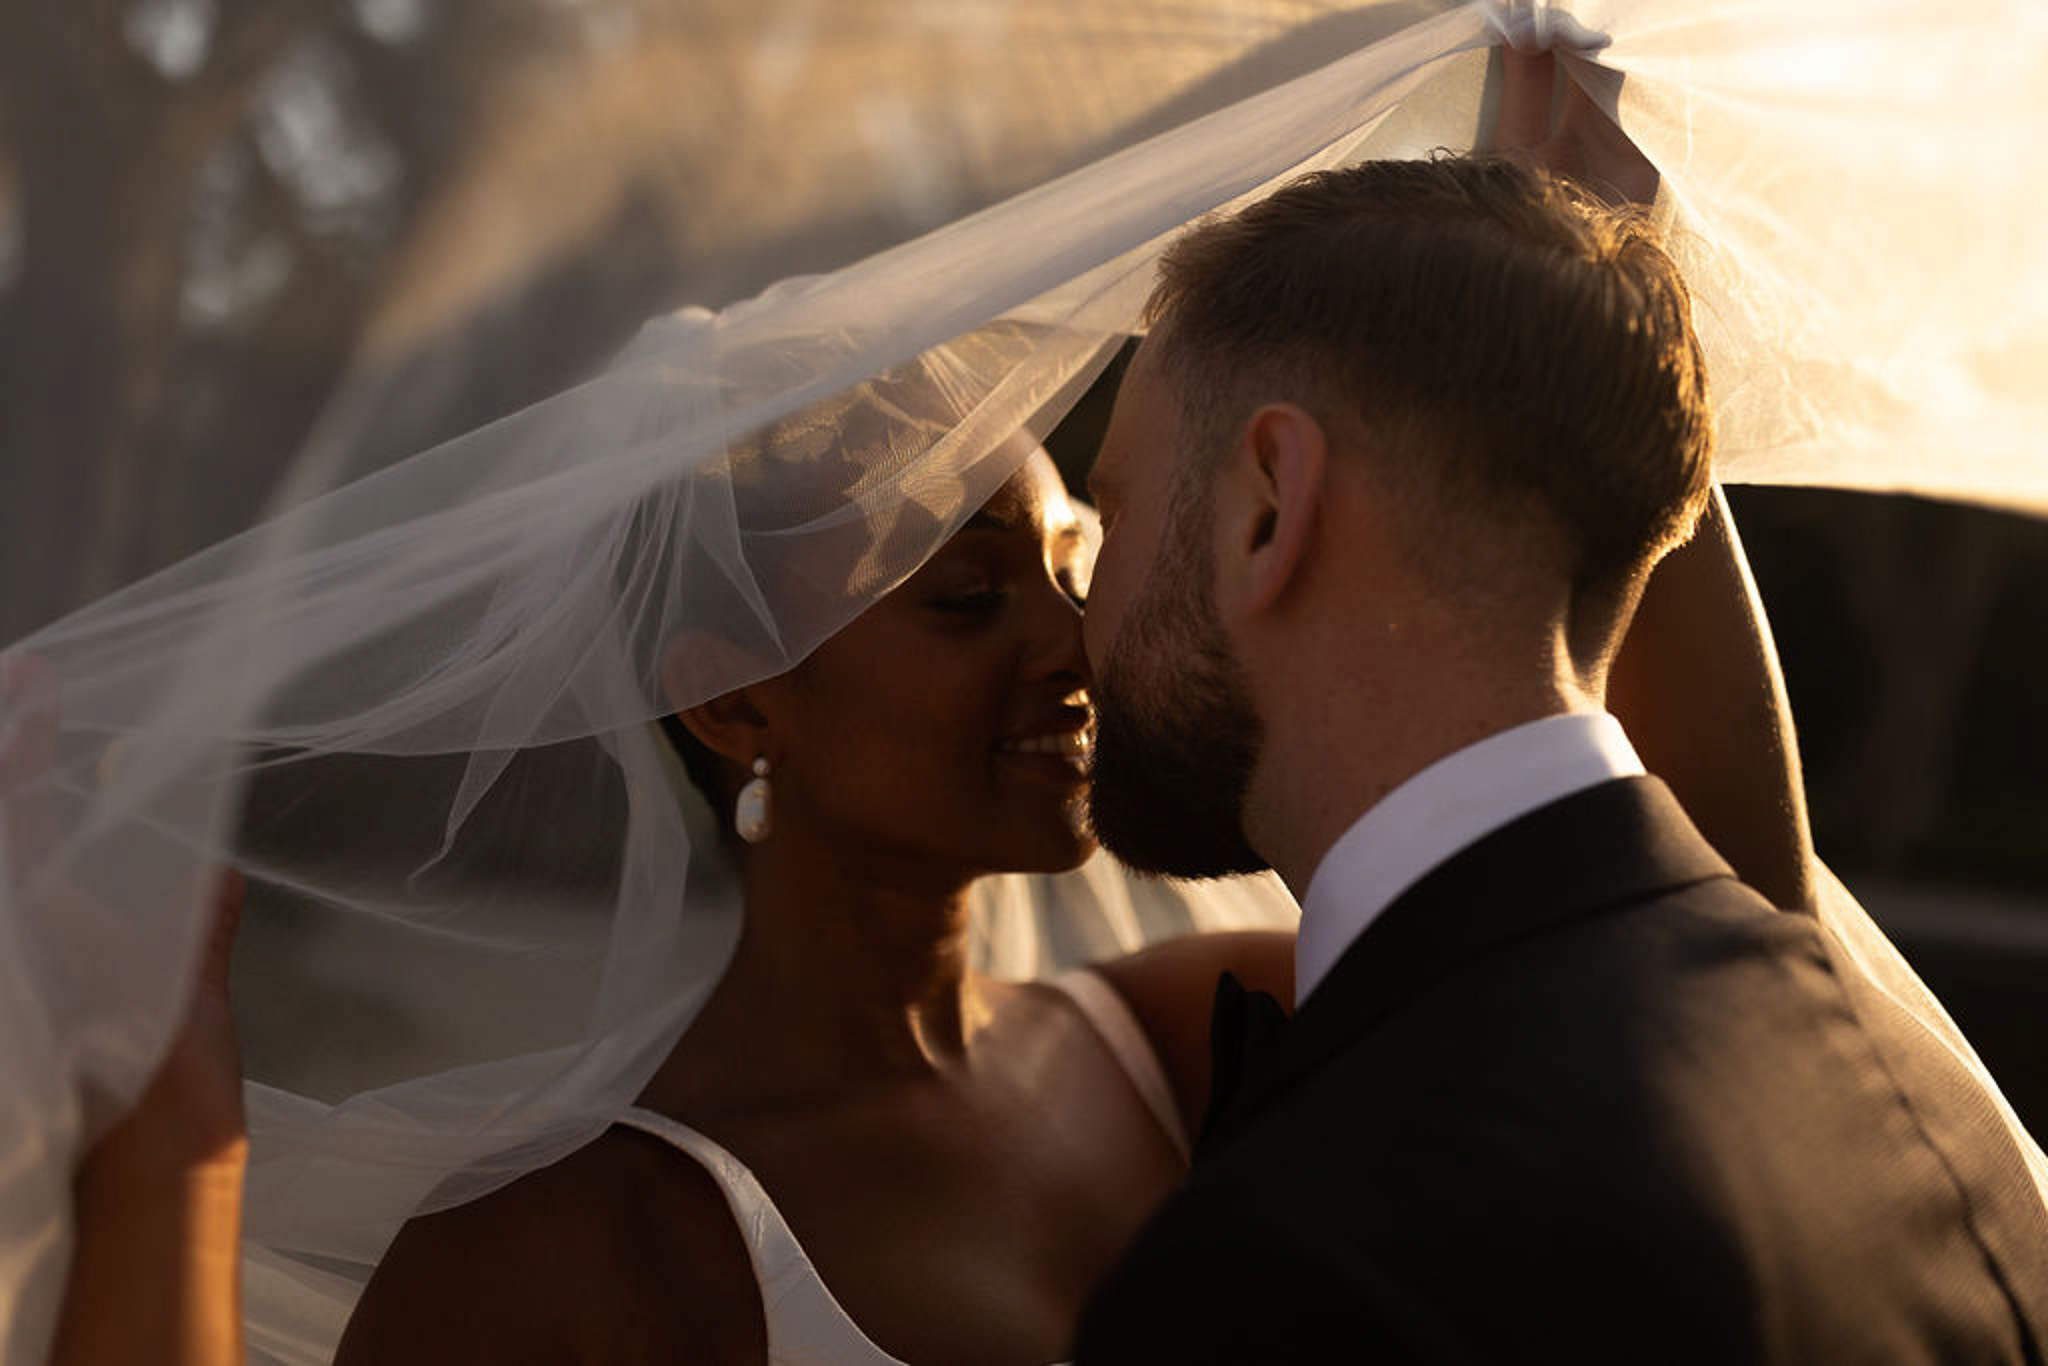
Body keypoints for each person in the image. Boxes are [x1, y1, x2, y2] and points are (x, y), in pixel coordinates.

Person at [1070, 60, 2048, 1366]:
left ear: (1267, 504)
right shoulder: (1930, 1103)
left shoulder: (1296, 1272)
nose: (1077, 607)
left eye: (1111, 513)